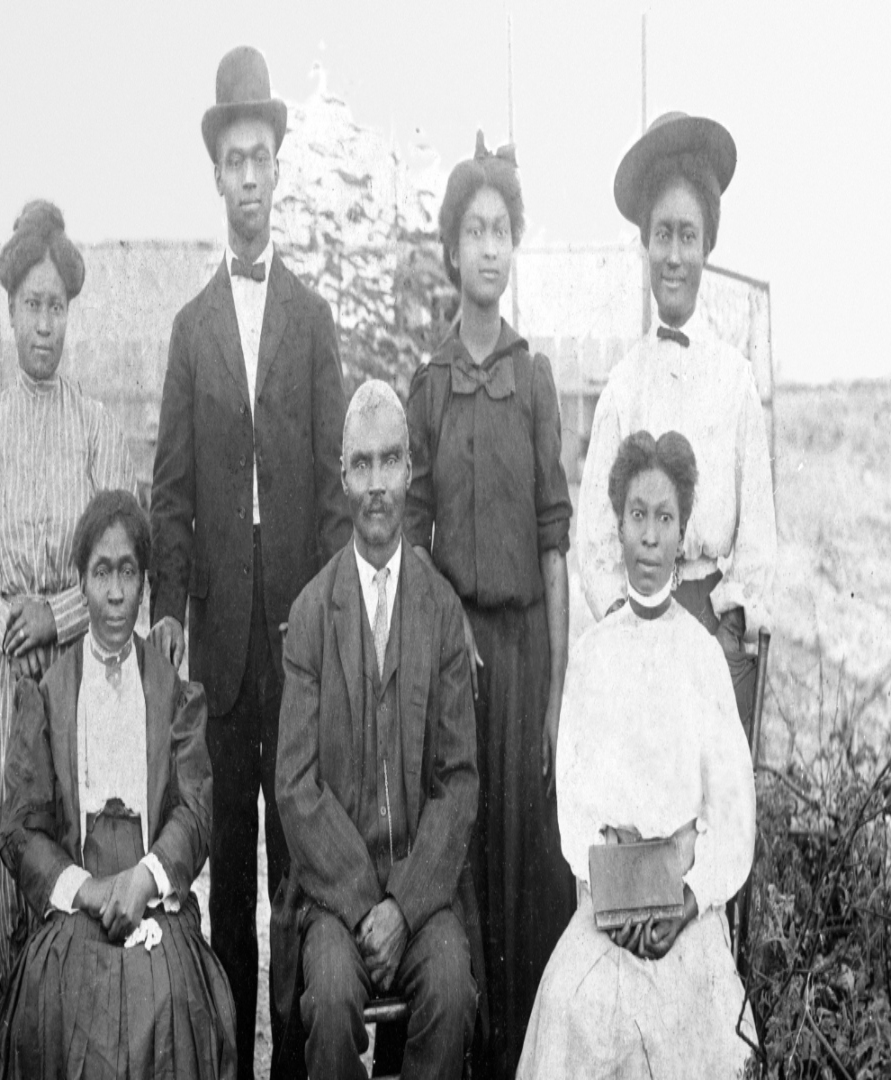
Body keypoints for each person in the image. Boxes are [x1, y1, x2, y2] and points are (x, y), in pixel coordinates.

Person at [148, 44, 351, 1079]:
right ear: (218, 175)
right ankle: (228, 1061)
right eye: (234, 160)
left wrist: (322, 620)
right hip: (221, 652)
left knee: (296, 875)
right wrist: (174, 620)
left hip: (298, 642)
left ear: (280, 168)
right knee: (225, 881)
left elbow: (331, 485)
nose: (250, 178)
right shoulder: (191, 330)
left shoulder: (313, 323)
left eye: (263, 157)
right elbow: (171, 493)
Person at [404, 130, 573, 1078]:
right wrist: (449, 638)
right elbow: (417, 540)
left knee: (525, 864)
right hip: (452, 658)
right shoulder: (430, 385)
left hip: (524, 654)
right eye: (474, 230)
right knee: (461, 857)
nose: (490, 248)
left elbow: (554, 536)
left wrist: (551, 687)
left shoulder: (534, 378)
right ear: (452, 250)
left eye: (503, 229)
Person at [517, 430, 756, 1079]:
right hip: (609, 907)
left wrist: (686, 899)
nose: (650, 537)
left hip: (687, 909)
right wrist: (606, 883)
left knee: (696, 1028)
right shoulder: (593, 656)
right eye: (637, 517)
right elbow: (575, 805)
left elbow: (734, 820)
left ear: (682, 535)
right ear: (618, 528)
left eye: (665, 518)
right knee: (573, 1007)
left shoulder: (703, 657)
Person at [0, 490, 235, 1079]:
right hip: (80, 896)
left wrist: (145, 878)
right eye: (102, 573)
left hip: (153, 892)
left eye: (129, 572)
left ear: (146, 584)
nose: (117, 593)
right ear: (83, 584)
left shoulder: (173, 691)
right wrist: (89, 890)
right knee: (58, 1005)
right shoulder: (50, 693)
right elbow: (19, 829)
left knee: (175, 1005)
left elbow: (196, 812)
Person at [274, 380, 479, 1080]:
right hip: (337, 898)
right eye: (361, 465)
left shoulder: (441, 611)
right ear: (341, 476)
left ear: (410, 472)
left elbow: (458, 780)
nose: (376, 485)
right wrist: (368, 905)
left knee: (452, 991)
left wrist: (406, 903)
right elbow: (295, 786)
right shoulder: (311, 614)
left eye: (389, 462)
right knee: (329, 999)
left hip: (422, 896)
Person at [0, 200, 136, 962]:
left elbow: (125, 568)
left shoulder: (99, 432)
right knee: (14, 851)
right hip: (7, 686)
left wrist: (55, 618)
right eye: (31, 307)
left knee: (77, 857)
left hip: (80, 678)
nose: (43, 326)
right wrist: (7, 623)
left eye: (56, 308)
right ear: (10, 313)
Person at [578, 112, 776, 730]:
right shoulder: (622, 387)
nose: (673, 255)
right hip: (641, 630)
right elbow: (592, 538)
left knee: (715, 815)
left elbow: (759, 532)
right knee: (649, 818)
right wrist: (627, 626)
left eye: (687, 236)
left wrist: (729, 625)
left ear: (706, 248)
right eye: (661, 234)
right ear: (644, 243)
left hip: (714, 627)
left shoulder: (735, 380)